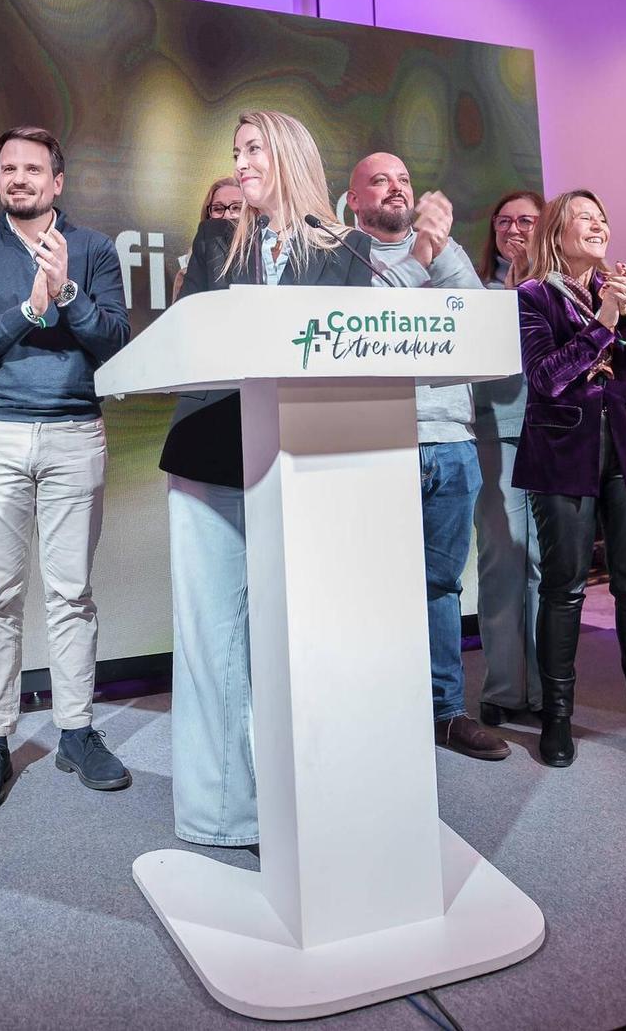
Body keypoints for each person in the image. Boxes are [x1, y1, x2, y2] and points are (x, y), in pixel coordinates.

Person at [158, 110, 376, 847]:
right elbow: (189, 339)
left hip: (305, 463)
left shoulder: (348, 247)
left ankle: (313, 794)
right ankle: (222, 814)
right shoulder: (220, 238)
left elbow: (359, 351)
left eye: (253, 149)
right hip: (210, 454)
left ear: (288, 154)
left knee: (303, 636)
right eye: (234, 151)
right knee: (213, 638)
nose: (241, 162)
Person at [0, 126, 133, 813]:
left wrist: (69, 292)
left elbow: (113, 338)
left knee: (72, 592)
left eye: (33, 168)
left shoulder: (95, 249)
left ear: (57, 181)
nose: (18, 178)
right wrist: (29, 309)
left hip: (75, 432)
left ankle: (77, 730)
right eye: (8, 168)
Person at [346, 153, 508, 761]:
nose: (397, 188)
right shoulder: (341, 256)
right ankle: (372, 707)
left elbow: (477, 331)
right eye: (380, 180)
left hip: (451, 441)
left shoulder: (449, 253)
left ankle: (446, 712)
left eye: (405, 179)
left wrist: (436, 255)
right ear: (354, 199)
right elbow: (370, 330)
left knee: (440, 585)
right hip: (374, 440)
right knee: (368, 584)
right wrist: (421, 260)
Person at [513, 191, 626, 770]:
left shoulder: (620, 288)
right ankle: (557, 718)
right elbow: (547, 378)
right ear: (557, 232)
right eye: (585, 218)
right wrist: (603, 324)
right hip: (561, 451)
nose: (599, 225)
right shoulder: (533, 295)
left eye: (603, 218)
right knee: (564, 586)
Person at [472, 190, 544, 727]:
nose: (514, 228)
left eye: (526, 220)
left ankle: (547, 693)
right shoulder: (472, 290)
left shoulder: (564, 290)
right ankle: (503, 689)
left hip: (556, 440)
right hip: (495, 437)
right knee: (502, 567)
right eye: (504, 221)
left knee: (549, 569)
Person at [171, 177, 243, 300]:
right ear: (208, 216)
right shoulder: (190, 273)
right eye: (218, 209)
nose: (226, 215)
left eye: (236, 208)